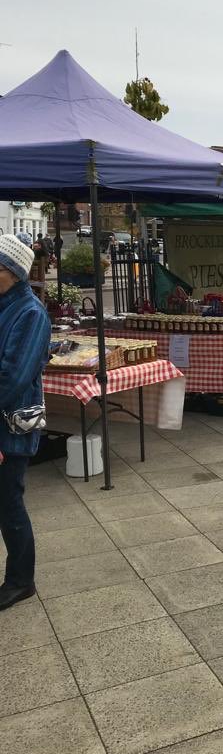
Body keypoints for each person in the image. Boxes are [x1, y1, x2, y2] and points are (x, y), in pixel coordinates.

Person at [0, 235, 51, 610]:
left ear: (13, 273)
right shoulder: (5, 305)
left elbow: (13, 377)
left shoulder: (30, 313)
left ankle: (21, 580)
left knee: (8, 503)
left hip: (9, 425)